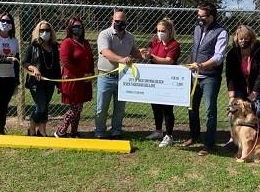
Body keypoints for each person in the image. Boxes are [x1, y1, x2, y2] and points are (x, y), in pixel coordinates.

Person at [183, 2, 228, 155]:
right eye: (198, 15)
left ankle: (209, 143)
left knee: (209, 110)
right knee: (191, 107)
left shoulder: (221, 32)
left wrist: (201, 65)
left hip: (210, 77)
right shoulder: (197, 29)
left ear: (211, 16)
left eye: (202, 16)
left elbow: (218, 57)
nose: (199, 18)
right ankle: (194, 136)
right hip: (193, 75)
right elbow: (194, 49)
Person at [95, 9, 143, 140]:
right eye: (117, 21)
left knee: (120, 108)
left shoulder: (129, 36)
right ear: (112, 20)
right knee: (102, 107)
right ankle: (100, 131)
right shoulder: (104, 34)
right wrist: (122, 59)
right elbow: (105, 52)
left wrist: (142, 54)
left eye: (122, 21)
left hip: (123, 76)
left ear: (126, 22)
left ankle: (116, 131)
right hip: (106, 76)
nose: (120, 23)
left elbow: (133, 51)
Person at [141, 18, 181, 147]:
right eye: (158, 30)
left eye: (162, 31)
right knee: (155, 106)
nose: (160, 33)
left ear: (169, 31)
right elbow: (147, 52)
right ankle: (158, 130)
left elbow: (169, 60)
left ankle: (169, 135)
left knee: (167, 109)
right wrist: (145, 53)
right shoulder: (155, 42)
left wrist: (152, 56)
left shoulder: (174, 44)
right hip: (155, 78)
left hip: (168, 80)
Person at [54, 17, 95, 138]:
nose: (78, 29)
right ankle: (61, 130)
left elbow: (91, 59)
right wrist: (81, 74)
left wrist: (91, 73)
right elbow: (66, 62)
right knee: (75, 108)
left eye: (80, 27)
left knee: (79, 107)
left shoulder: (85, 42)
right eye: (75, 27)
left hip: (84, 80)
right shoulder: (67, 42)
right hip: (72, 79)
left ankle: (74, 132)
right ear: (70, 28)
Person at [225, 25, 260, 136]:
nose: (243, 41)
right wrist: (232, 95)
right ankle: (235, 138)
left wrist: (255, 92)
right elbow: (229, 74)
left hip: (256, 88)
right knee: (236, 112)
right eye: (241, 38)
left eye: (246, 38)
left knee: (258, 112)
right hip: (239, 87)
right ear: (237, 39)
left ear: (251, 38)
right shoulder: (232, 54)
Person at [22, 20, 61, 136]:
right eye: (42, 30)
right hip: (36, 82)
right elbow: (24, 62)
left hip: (50, 82)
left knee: (45, 106)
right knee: (41, 105)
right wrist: (34, 68)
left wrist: (59, 83)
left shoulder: (54, 46)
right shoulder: (33, 46)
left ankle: (42, 130)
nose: (45, 32)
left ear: (51, 32)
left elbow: (56, 66)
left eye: (47, 30)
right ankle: (32, 128)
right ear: (38, 32)